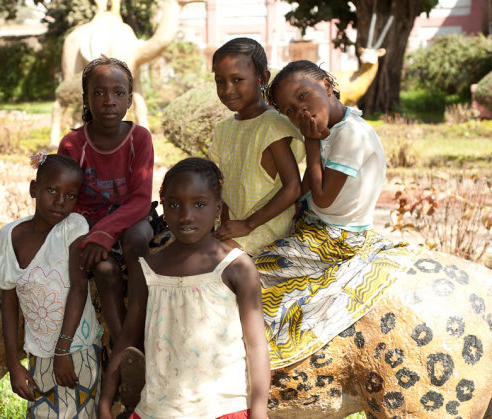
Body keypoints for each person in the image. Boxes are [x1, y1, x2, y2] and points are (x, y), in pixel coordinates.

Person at [254, 60, 409, 369]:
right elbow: (303, 189)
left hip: (337, 237)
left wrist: (312, 142)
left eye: (302, 97)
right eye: (289, 110)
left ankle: (260, 353)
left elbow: (323, 199)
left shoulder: (351, 135)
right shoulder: (333, 127)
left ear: (326, 85)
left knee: (252, 272)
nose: (300, 112)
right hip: (314, 226)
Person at [98, 157, 270, 419]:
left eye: (199, 204)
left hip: (221, 409)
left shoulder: (236, 267)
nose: (186, 215)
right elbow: (128, 336)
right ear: (163, 207)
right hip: (159, 410)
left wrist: (258, 411)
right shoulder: (149, 269)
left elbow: (256, 345)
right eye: (175, 204)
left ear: (217, 208)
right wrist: (106, 399)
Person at [0, 153, 103, 418]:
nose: (61, 202)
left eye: (70, 196)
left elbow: (78, 287)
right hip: (39, 352)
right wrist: (14, 364)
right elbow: (9, 302)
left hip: (77, 349)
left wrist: (64, 350)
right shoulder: (10, 235)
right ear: (33, 189)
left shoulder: (73, 227)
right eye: (52, 190)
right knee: (42, 414)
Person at [57, 56, 154, 343]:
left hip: (130, 219)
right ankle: (125, 343)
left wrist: (105, 232)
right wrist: (90, 234)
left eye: (118, 93)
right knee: (103, 268)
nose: (109, 100)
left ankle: (139, 319)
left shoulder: (139, 138)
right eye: (99, 92)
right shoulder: (73, 144)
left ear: (129, 101)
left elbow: (140, 200)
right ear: (86, 99)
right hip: (87, 222)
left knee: (138, 237)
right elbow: (66, 200)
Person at [210, 37, 305, 256]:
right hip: (232, 225)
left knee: (208, 261)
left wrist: (247, 225)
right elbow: (223, 183)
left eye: (237, 79)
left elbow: (293, 187)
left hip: (263, 226)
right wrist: (225, 223)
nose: (227, 89)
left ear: (262, 78)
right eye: (220, 81)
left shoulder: (273, 125)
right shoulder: (224, 128)